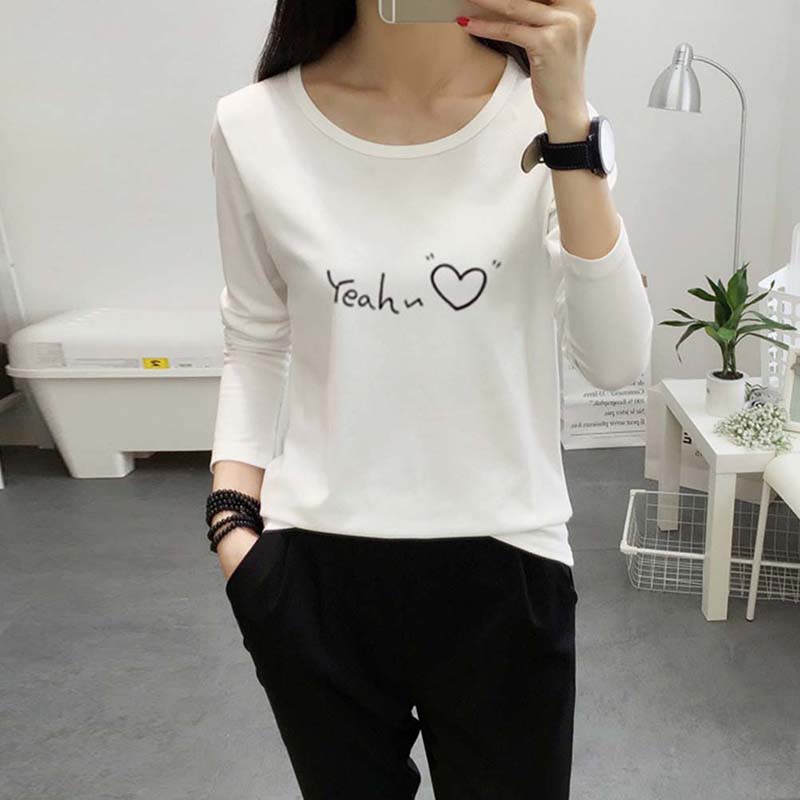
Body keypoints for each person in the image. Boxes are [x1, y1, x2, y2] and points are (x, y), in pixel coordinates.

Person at [205, 0, 653, 797]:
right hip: (312, 573)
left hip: (508, 562)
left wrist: (568, 122)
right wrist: (232, 524)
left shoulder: (549, 120)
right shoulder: (253, 125)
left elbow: (616, 361)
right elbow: (256, 339)